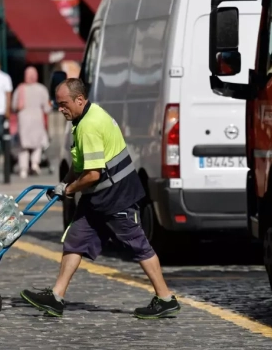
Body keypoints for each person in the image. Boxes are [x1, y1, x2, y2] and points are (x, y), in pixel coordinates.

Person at [20, 78, 180, 319]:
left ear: (80, 100)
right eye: (58, 104)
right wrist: (64, 183)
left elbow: (93, 174)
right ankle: (56, 297)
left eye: (64, 104)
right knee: (75, 240)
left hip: (117, 197)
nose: (60, 109)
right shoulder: (84, 118)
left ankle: (165, 298)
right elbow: (80, 163)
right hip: (99, 197)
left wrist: (69, 190)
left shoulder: (89, 126)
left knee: (138, 245)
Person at [11, 66, 51, 178]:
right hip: (37, 119)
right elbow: (47, 108)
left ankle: (23, 169)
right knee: (38, 144)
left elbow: (14, 106)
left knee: (23, 146)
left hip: (23, 120)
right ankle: (34, 164)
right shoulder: (42, 89)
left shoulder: (20, 89)